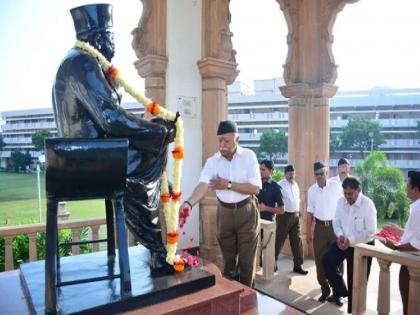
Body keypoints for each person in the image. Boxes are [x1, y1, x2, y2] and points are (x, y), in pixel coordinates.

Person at [52, 4, 175, 270]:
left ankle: (158, 246)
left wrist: (153, 127)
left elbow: (111, 117)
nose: (113, 44)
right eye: (110, 38)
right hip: (88, 159)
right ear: (97, 38)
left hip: (87, 153)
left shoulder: (80, 60)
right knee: (146, 158)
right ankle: (156, 249)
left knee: (152, 148)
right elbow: (111, 119)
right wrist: (158, 133)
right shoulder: (82, 63)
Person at [180, 120, 261, 287]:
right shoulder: (213, 162)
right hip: (224, 214)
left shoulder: (248, 156)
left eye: (227, 141)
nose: (222, 145)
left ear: (237, 140)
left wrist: (228, 185)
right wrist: (189, 203)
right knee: (228, 263)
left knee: (247, 264)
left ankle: (247, 300)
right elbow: (203, 185)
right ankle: (232, 296)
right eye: (220, 141)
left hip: (247, 213)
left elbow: (255, 189)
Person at [322, 177, 376, 313]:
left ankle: (353, 310)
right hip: (342, 241)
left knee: (357, 281)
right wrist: (340, 235)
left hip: (361, 246)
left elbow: (370, 232)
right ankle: (341, 291)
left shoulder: (368, 204)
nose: (347, 197)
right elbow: (336, 221)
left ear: (359, 190)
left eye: (350, 194)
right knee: (326, 259)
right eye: (345, 193)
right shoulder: (341, 201)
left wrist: (350, 241)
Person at [382, 170, 420, 315]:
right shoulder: (416, 206)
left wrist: (395, 247)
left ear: (416, 189)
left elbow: (418, 243)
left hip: (412, 262)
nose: (405, 188)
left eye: (408, 185)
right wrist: (399, 231)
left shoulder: (418, 208)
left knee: (410, 304)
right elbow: (416, 234)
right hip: (412, 259)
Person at [306, 161, 343, 302]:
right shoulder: (311, 190)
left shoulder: (336, 187)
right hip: (320, 228)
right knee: (320, 260)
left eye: (322, 173)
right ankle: (325, 290)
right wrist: (308, 232)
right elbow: (309, 213)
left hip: (335, 227)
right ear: (314, 174)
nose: (319, 176)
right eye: (317, 174)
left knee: (337, 260)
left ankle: (337, 293)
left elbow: (343, 207)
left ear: (326, 172)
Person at [277, 164, 308, 275]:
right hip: (284, 216)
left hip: (295, 216)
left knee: (297, 242)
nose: (292, 175)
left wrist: (299, 212)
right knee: (278, 241)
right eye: (290, 173)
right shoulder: (280, 185)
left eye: (293, 173)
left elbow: (297, 200)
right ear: (285, 174)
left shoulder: (296, 185)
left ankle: (298, 265)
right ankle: (271, 264)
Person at [257, 160, 284, 271]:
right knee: (256, 251)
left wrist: (265, 208)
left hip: (268, 224)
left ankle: (271, 268)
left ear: (271, 171)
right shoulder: (255, 184)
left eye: (263, 169)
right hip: (254, 222)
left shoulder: (275, 187)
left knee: (268, 251)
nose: (260, 172)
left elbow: (282, 210)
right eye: (260, 169)